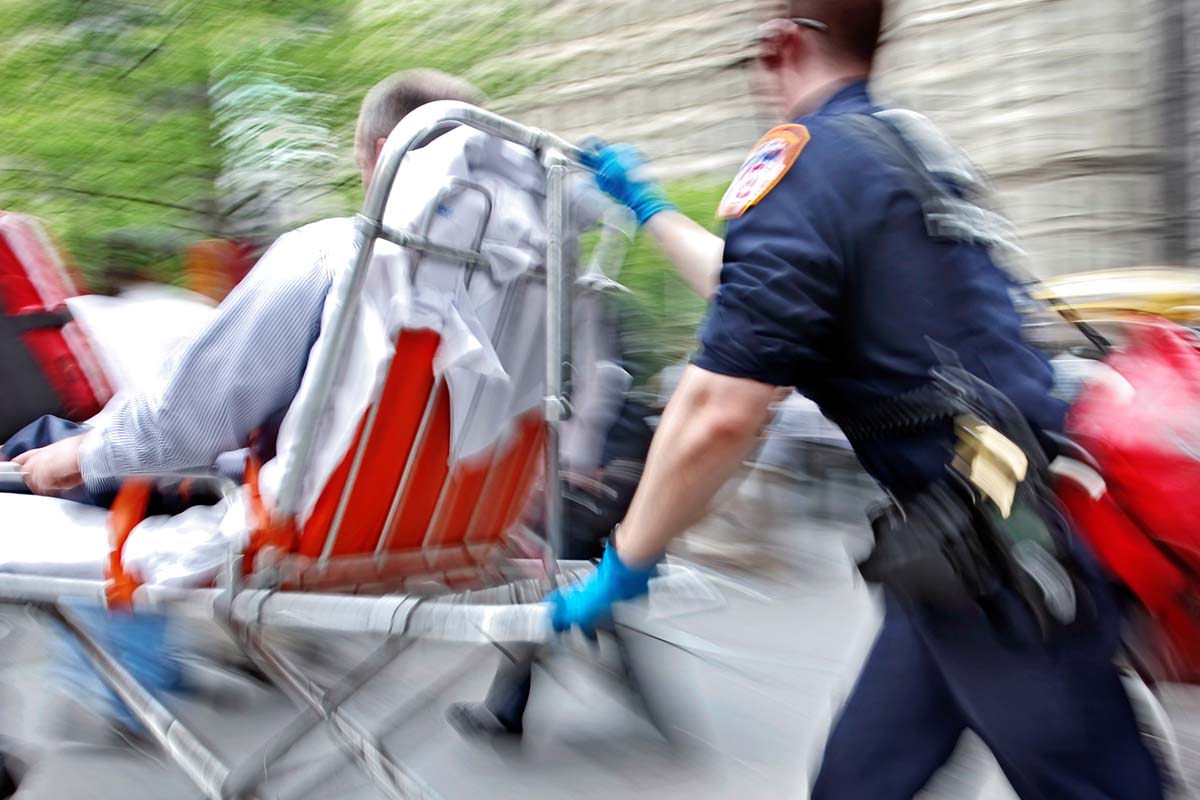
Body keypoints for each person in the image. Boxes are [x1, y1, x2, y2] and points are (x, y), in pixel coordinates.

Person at [547, 2, 1166, 797]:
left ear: (784, 41)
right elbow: (754, 309)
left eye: (752, 58)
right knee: (858, 780)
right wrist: (651, 206)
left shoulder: (801, 166)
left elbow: (720, 409)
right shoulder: (895, 148)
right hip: (975, 529)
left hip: (1000, 551)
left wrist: (624, 562)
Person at [5, 68, 487, 734]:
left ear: (376, 155)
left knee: (42, 447)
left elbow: (186, 422)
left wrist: (78, 458)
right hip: (428, 525)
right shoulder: (509, 298)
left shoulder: (328, 258)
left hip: (288, 525)